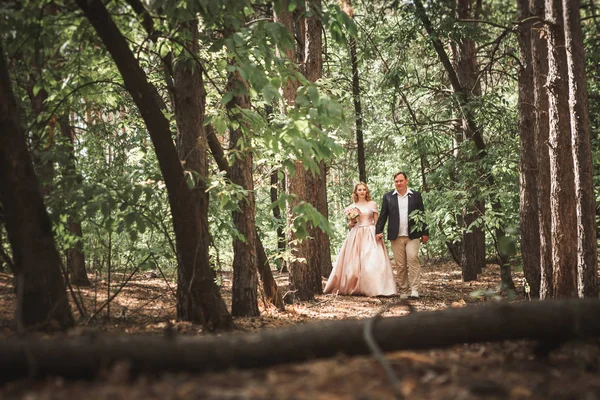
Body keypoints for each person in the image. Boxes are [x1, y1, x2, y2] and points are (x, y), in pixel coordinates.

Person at [324, 182, 397, 297]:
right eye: (359, 190)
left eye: (364, 189)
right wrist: (352, 220)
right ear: (356, 192)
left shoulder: (372, 204)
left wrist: (378, 232)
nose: (362, 191)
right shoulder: (352, 207)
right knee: (354, 261)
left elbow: (377, 221)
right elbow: (350, 224)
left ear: (366, 191)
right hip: (356, 234)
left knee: (373, 260)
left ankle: (376, 287)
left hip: (370, 233)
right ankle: (353, 286)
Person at [375, 171, 429, 299]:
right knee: (400, 265)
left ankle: (415, 290)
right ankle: (404, 290)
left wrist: (425, 232)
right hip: (396, 236)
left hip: (413, 235)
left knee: (413, 258)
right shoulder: (388, 197)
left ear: (406, 181)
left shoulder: (415, 196)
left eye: (401, 181)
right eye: (396, 181)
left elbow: (422, 214)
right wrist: (378, 231)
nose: (398, 183)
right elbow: (383, 215)